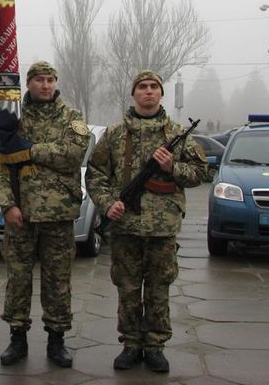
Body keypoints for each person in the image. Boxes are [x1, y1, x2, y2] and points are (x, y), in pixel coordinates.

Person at [86, 70, 208, 373]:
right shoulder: (114, 134)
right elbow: (96, 175)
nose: (149, 92)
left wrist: (173, 167)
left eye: (154, 87)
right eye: (142, 87)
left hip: (162, 228)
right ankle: (130, 345)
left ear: (161, 94)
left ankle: (154, 346)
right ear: (134, 94)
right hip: (126, 226)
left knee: (158, 288)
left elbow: (202, 173)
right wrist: (107, 203)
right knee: (127, 288)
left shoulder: (177, 134)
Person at [0, 61, 91, 368]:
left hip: (58, 216)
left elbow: (72, 154)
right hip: (21, 215)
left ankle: (56, 340)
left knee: (57, 281)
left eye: (50, 80)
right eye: (39, 80)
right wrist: (8, 204)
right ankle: (17, 339)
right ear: (30, 84)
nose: (45, 85)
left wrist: (30, 150)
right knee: (18, 279)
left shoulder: (71, 117)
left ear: (56, 82)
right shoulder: (13, 120)